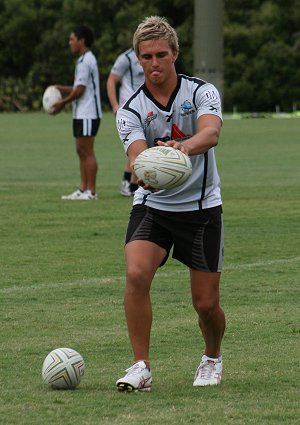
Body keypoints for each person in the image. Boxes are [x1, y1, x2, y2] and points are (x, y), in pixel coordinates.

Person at [115, 16, 225, 392]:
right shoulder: (130, 109)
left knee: (206, 305)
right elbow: (137, 155)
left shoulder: (201, 92)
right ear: (138, 59)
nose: (155, 63)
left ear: (175, 54)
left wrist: (183, 148)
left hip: (201, 209)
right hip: (154, 206)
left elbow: (211, 132)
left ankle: (212, 357)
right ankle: (140, 366)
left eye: (162, 54)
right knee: (135, 275)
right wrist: (142, 170)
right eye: (146, 56)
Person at [53, 25, 102, 200]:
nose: (70, 43)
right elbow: (78, 87)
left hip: (88, 113)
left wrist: (62, 103)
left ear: (82, 41)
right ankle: (83, 189)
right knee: (81, 150)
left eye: (72, 39)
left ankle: (92, 192)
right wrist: (61, 89)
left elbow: (80, 90)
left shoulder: (86, 61)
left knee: (87, 151)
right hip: (81, 113)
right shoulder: (84, 60)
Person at [107, 48, 144, 197]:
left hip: (144, 106)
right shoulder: (126, 58)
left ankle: (128, 183)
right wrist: (115, 105)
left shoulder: (150, 55)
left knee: (136, 147)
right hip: (129, 108)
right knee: (137, 146)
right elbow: (111, 80)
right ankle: (133, 186)